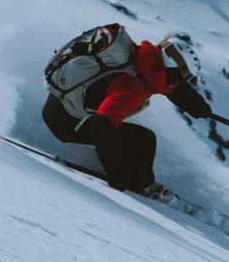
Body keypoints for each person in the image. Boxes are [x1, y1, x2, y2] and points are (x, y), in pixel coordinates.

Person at [41, 23, 211, 195]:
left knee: (132, 137)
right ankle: (143, 185)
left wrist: (199, 107)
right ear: (171, 70)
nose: (181, 82)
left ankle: (128, 172)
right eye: (183, 77)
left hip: (58, 104)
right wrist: (115, 174)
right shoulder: (133, 88)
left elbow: (170, 87)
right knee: (143, 141)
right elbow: (102, 126)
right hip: (65, 122)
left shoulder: (144, 60)